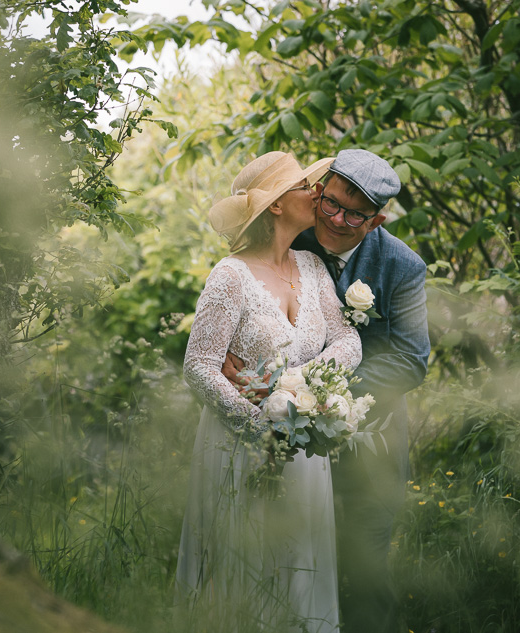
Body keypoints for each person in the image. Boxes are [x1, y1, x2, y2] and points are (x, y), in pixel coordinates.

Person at [224, 148, 430, 633]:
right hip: (280, 438)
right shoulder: (292, 241)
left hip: (369, 436)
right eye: (331, 203)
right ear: (319, 191)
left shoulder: (404, 267)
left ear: (376, 220)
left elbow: (410, 359)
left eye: (354, 215)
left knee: (365, 564)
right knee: (287, 556)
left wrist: (316, 393)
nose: (336, 220)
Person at [175, 151, 362, 633]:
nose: (316, 193)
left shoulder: (313, 268)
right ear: (276, 205)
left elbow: (349, 340)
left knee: (298, 563)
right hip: (240, 446)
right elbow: (199, 366)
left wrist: (300, 390)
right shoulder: (229, 276)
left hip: (303, 446)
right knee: (244, 560)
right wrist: (260, 424)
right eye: (305, 187)